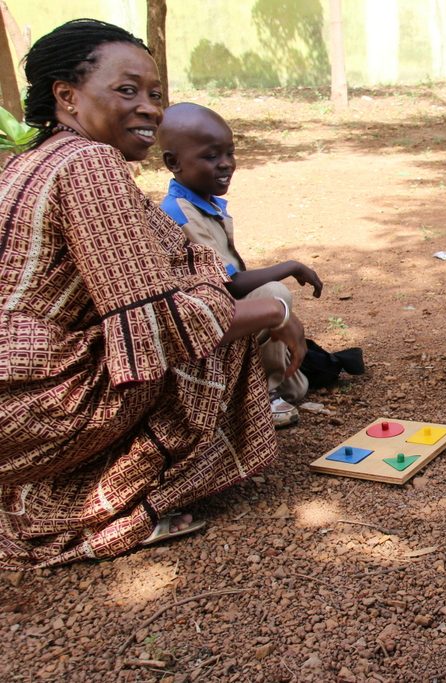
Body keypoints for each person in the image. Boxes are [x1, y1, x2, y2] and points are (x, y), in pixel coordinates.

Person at [0, 19, 304, 569]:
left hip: (16, 398)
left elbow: (175, 271)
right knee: (211, 336)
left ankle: (52, 482)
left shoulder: (30, 162)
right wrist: (273, 309)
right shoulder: (88, 164)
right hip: (34, 404)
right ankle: (114, 504)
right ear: (66, 96)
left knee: (212, 308)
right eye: (127, 90)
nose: (149, 108)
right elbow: (159, 328)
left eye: (155, 93)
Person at [157, 103, 322, 428]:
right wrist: (289, 266)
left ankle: (271, 381)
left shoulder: (202, 203)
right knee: (274, 294)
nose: (226, 164)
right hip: (203, 320)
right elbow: (228, 285)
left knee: (300, 384)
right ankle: (264, 392)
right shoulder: (180, 214)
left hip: (220, 309)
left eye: (229, 153)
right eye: (210, 156)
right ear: (173, 162)